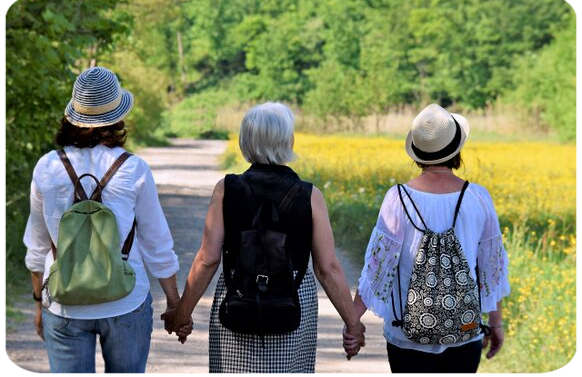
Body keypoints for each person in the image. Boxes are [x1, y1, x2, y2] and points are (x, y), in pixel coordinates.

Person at [162, 102, 366, 373]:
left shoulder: (227, 189)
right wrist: (353, 324)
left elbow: (207, 260)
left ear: (245, 141)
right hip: (293, 299)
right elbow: (327, 268)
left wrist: (182, 313)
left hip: (238, 295)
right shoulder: (310, 195)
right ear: (288, 140)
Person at [23, 67, 188, 374]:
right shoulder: (133, 168)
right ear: (117, 116)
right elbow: (156, 243)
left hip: (64, 303)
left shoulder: (47, 167)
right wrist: (175, 302)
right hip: (126, 299)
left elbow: (37, 245)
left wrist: (38, 305)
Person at [344, 104, 510, 374]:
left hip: (406, 335)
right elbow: (492, 269)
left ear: (417, 153)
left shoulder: (397, 198)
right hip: (465, 331)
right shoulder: (478, 197)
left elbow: (378, 269)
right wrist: (496, 322)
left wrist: (353, 322)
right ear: (457, 150)